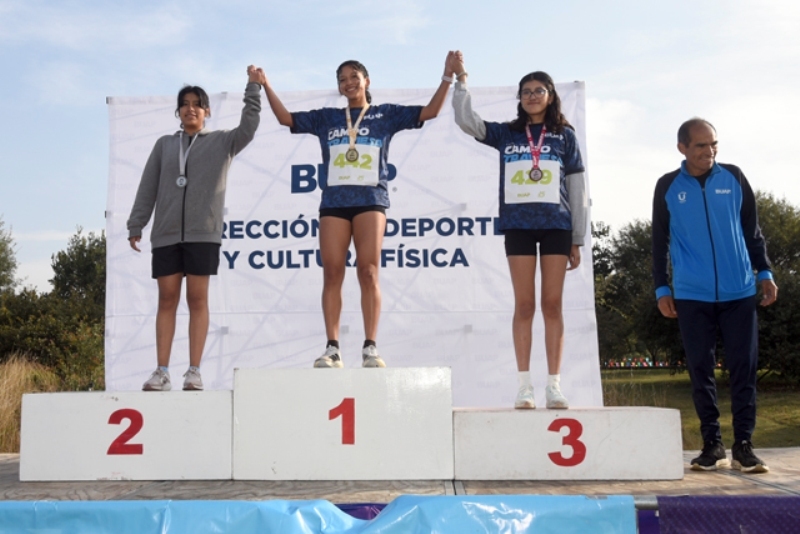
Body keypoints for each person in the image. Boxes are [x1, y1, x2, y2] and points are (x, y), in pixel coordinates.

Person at [257, 54, 454, 368]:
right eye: (342, 79)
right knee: (332, 272)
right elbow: (287, 119)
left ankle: (370, 346)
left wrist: (446, 77)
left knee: (369, 271)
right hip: (334, 204)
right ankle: (332, 347)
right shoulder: (327, 118)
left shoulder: (384, 115)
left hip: (371, 200)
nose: (348, 83)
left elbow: (429, 112)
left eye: (353, 77)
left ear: (366, 81)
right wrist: (266, 84)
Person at [450, 51, 587, 409]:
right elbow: (467, 121)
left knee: (552, 305)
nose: (531, 96)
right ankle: (524, 386)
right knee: (525, 304)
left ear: (551, 96)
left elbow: (578, 189)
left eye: (538, 90)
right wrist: (461, 80)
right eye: (525, 91)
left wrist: (578, 236)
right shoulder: (507, 133)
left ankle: (554, 386)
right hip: (519, 227)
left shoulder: (565, 136)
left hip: (557, 225)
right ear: (519, 98)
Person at [652, 118, 777, 473]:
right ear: (682, 148)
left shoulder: (734, 177)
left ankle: (744, 446)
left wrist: (764, 272)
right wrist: (662, 288)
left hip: (739, 292)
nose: (709, 152)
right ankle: (712, 444)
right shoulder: (667, 186)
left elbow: (753, 231)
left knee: (743, 370)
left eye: (713, 144)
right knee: (701, 371)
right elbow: (658, 242)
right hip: (692, 294)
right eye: (701, 146)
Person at [127, 66, 262, 391]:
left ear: (207, 111)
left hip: (203, 232)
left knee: (197, 299)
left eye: (197, 103)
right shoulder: (163, 145)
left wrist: (253, 88)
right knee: (167, 299)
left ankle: (194, 371)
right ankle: (161, 371)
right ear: (178, 111)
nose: (190, 108)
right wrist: (137, 223)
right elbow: (148, 186)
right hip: (167, 233)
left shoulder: (222, 142)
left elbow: (249, 127)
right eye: (185, 103)